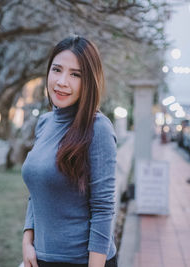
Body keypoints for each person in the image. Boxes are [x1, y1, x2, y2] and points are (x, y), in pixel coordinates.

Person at [21, 36, 117, 267]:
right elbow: (37, 191)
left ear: (89, 82)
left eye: (75, 75)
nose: (62, 82)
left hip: (83, 262)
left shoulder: (98, 128)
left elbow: (103, 209)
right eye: (57, 70)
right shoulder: (44, 123)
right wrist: (27, 240)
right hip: (40, 257)